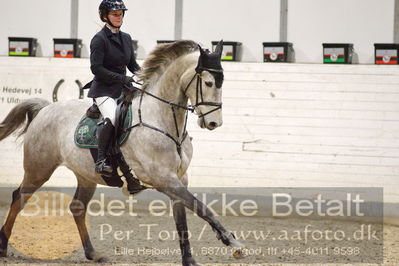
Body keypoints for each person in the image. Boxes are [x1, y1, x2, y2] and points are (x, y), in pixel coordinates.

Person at [87, 0, 140, 174]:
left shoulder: (126, 38)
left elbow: (132, 65)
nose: (119, 17)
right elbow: (96, 68)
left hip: (123, 88)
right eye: (115, 14)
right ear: (105, 16)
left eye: (121, 14)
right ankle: (101, 160)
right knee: (112, 116)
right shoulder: (99, 39)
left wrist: (148, 76)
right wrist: (121, 78)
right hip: (104, 90)